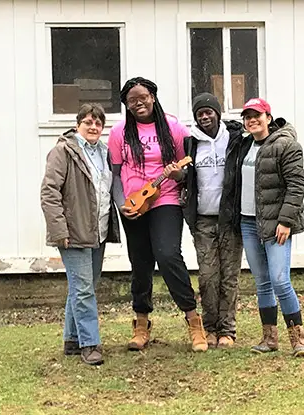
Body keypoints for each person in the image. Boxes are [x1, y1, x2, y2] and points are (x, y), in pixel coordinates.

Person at [108, 77, 208, 353]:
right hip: (134, 204)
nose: (138, 103)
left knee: (167, 254)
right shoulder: (119, 133)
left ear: (153, 96)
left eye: (142, 97)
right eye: (131, 100)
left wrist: (179, 174)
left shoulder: (173, 127)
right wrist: (121, 204)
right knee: (140, 264)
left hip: (165, 198)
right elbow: (115, 175)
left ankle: (192, 319)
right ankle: (141, 323)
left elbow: (188, 168)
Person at [229, 97, 304, 357]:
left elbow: (297, 185)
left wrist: (286, 221)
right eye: (247, 117)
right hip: (248, 222)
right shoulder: (244, 146)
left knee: (280, 280)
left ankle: (298, 338)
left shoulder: (286, 146)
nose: (252, 120)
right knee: (262, 283)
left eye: (257, 115)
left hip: (276, 224)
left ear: (268, 117)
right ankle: (269, 338)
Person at [40, 103, 120, 366]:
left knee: (83, 286)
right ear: (78, 125)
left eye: (98, 123)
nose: (94, 127)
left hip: (97, 230)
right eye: (88, 122)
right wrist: (59, 229)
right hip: (73, 232)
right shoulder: (63, 152)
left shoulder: (104, 153)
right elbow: (49, 193)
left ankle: (72, 339)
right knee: (84, 289)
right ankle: (90, 344)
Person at [181, 93, 244, 349]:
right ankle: (210, 327)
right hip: (203, 220)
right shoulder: (190, 144)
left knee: (230, 276)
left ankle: (227, 330)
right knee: (208, 276)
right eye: (200, 114)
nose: (205, 117)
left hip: (230, 218)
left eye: (208, 112)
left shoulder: (236, 139)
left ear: (217, 113)